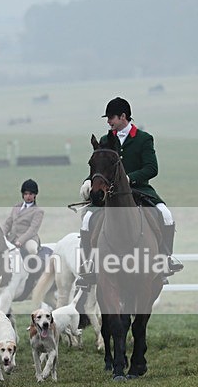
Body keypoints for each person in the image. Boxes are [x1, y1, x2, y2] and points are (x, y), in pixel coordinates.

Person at [78, 96, 183, 283]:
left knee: (166, 215)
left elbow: (152, 168)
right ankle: (89, 265)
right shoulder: (105, 139)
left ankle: (165, 259)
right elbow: (99, 168)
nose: (109, 122)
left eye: (111, 118)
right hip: (109, 194)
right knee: (86, 220)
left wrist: (128, 178)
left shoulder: (143, 139)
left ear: (123, 116)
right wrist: (88, 182)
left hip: (139, 190)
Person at [4, 178, 44, 257]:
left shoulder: (38, 211)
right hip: (12, 238)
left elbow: (32, 230)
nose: (28, 196)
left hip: (28, 239)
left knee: (32, 249)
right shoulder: (16, 207)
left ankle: (34, 267)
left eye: (30, 194)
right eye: (25, 194)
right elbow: (8, 223)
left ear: (35, 195)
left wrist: (20, 241)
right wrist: (2, 235)